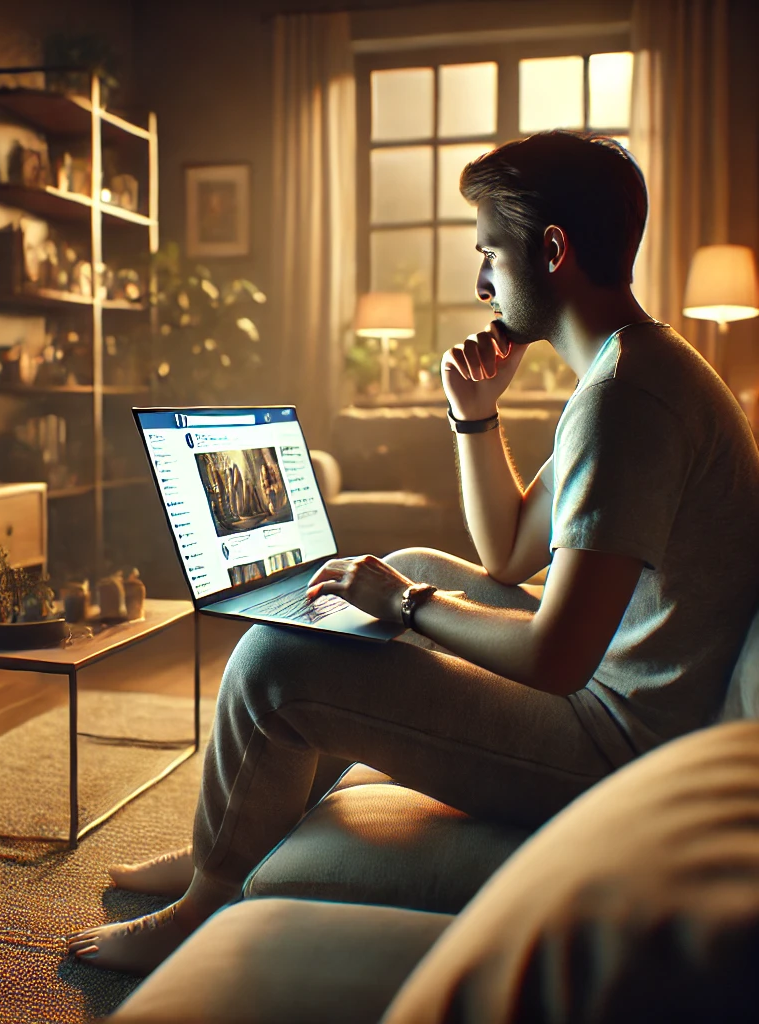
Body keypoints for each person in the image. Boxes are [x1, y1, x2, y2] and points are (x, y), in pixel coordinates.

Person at [67, 131, 759, 975]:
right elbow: (506, 554)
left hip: (618, 749)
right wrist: (474, 414)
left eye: (489, 253)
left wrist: (402, 604)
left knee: (276, 661)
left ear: (551, 251)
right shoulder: (637, 370)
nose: (479, 280)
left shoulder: (625, 401)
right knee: (421, 563)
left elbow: (557, 655)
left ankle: (208, 902)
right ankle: (240, 834)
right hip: (631, 697)